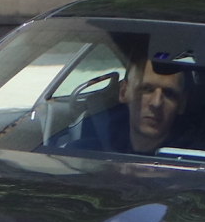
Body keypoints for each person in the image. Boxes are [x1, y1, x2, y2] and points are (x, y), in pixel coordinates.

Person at [49, 54, 193, 155]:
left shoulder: (199, 162)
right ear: (123, 92)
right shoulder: (84, 154)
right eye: (146, 90)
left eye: (169, 94)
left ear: (182, 104)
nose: (156, 103)